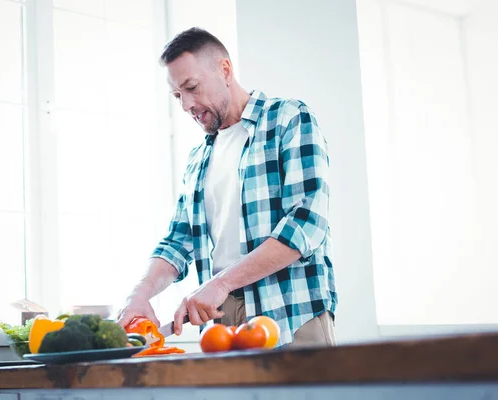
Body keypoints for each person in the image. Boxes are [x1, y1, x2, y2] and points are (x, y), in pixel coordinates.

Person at [117, 27, 337, 347]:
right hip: (221, 325)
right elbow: (177, 242)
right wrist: (139, 296)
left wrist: (219, 284)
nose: (186, 105)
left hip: (290, 314)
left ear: (225, 70)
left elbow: (306, 225)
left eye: (192, 87)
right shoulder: (198, 159)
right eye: (178, 95)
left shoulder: (288, 119)